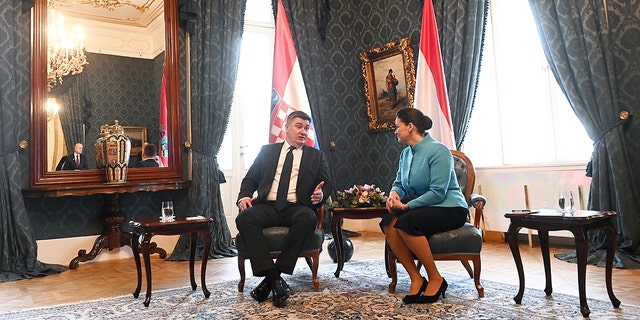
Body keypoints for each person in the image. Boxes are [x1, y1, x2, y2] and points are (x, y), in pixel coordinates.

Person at [235, 110, 333, 308]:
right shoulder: (267, 151)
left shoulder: (316, 156)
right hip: (267, 206)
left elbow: (327, 183)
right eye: (298, 126)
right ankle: (275, 279)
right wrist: (244, 197)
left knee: (307, 218)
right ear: (286, 128)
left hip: (297, 207)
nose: (303, 131)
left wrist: (321, 195)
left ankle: (273, 277)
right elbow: (251, 178)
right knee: (244, 218)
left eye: (307, 128)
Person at [381, 107, 468, 304]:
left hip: (451, 208)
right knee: (388, 222)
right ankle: (416, 278)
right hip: (425, 208)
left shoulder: (439, 150)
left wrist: (405, 207)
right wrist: (394, 195)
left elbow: (438, 192)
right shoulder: (405, 154)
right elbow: (399, 183)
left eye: (397, 126)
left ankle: (436, 278)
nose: (395, 131)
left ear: (410, 127)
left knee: (407, 222)